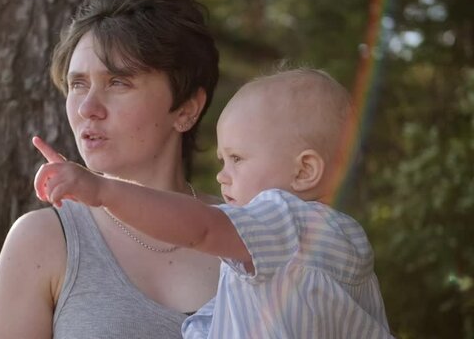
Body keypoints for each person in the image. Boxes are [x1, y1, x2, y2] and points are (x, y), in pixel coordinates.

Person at [33, 68, 394, 338]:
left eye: (237, 159)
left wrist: (103, 192)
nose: (223, 176)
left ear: (304, 171)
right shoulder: (336, 243)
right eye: (222, 161)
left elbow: (200, 227)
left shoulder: (286, 222)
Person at [0, 0, 221, 338]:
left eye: (118, 82)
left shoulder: (242, 232)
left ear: (187, 108)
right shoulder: (44, 241)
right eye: (78, 84)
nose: (87, 108)